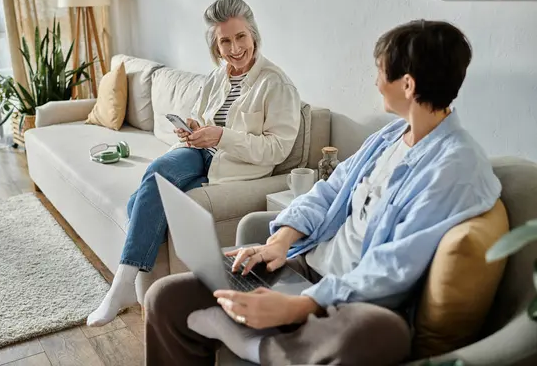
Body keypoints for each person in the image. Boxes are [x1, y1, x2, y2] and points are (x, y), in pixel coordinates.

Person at [143, 20, 502, 365]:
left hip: (352, 302)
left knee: (376, 335)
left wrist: (300, 305)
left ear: (407, 85)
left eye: (380, 72)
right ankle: (269, 341)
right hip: (304, 267)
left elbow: (393, 266)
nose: (376, 83)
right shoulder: (390, 137)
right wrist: (280, 242)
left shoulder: (454, 168)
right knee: (166, 297)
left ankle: (258, 347)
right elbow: (330, 190)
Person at [86, 0, 301, 327]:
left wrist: (220, 137)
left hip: (233, 166)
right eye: (225, 41)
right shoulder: (218, 76)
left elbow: (276, 150)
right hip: (200, 152)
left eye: (240, 37)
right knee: (157, 174)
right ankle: (123, 286)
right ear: (215, 46)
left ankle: (122, 286)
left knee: (142, 202)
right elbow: (202, 116)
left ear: (254, 34)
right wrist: (195, 130)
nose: (234, 48)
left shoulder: (277, 84)